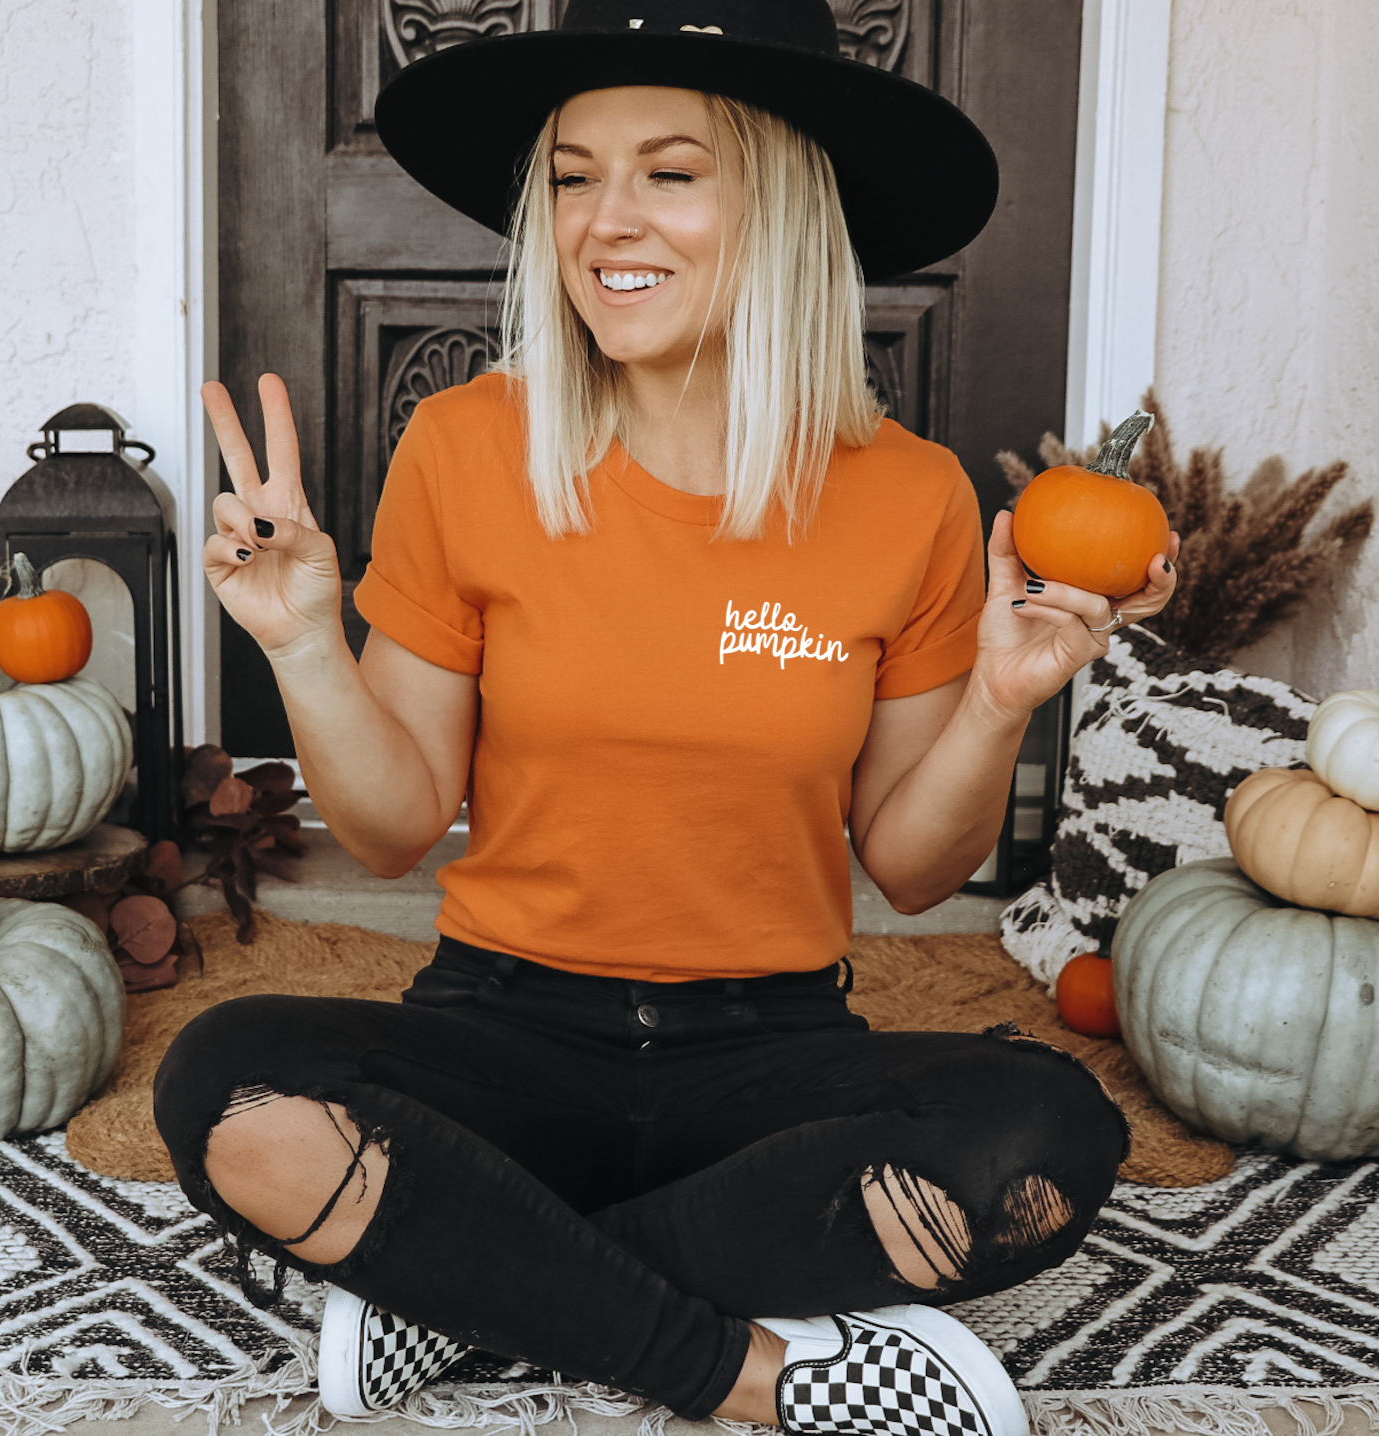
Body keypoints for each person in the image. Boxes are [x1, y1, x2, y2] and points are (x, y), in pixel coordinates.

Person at [154, 3, 1178, 1432]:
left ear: (783, 201)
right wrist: (309, 644)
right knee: (221, 1077)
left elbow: (911, 869)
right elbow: (390, 832)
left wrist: (1004, 701)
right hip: (502, 1031)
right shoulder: (466, 448)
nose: (604, 221)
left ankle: (463, 1273)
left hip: (768, 1048)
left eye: (670, 172)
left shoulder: (915, 497)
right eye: (574, 175)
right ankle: (744, 1370)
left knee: (1047, 1140)